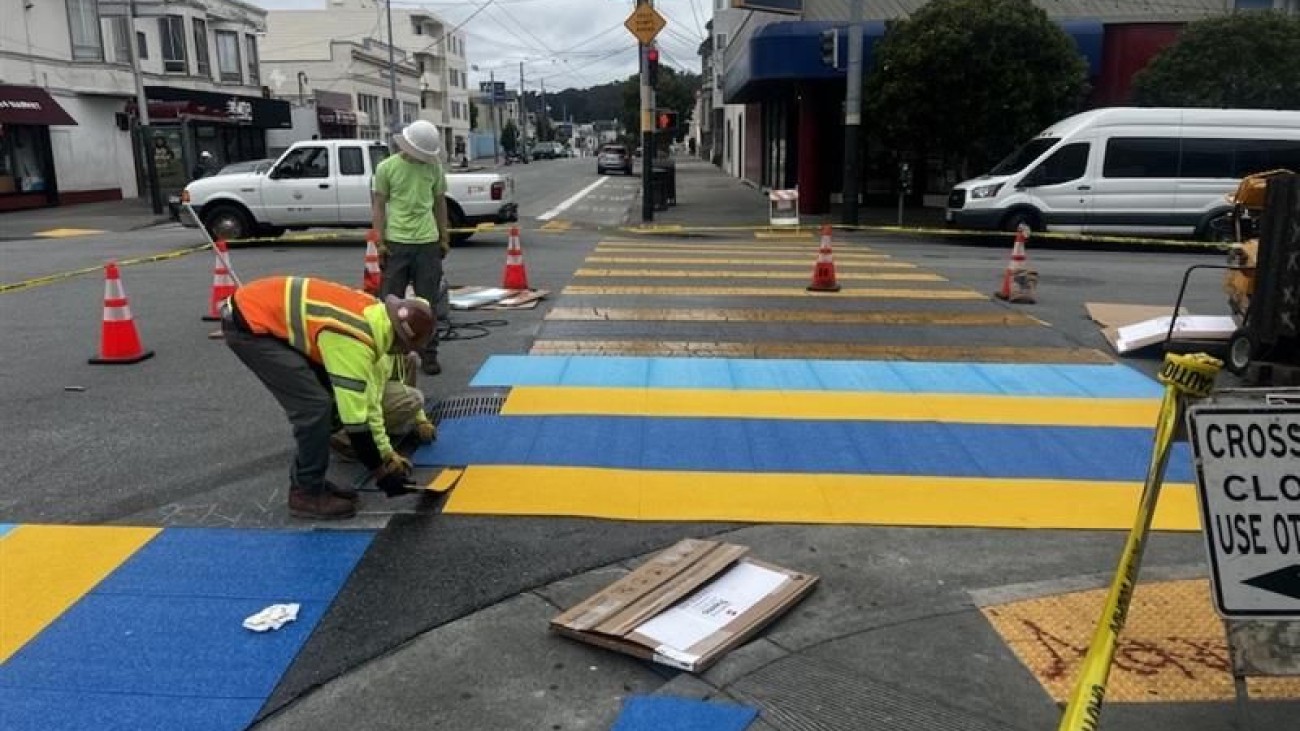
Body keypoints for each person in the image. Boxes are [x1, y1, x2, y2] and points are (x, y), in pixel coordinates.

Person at [220, 276, 435, 520]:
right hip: (252, 326)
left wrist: (384, 459)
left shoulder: (375, 314)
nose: (403, 352)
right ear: (399, 338)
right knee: (314, 407)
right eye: (406, 346)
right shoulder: (354, 342)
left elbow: (367, 402)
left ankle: (310, 480)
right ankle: (306, 494)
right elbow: (357, 422)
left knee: (327, 399)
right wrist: (382, 474)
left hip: (261, 309)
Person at [372, 119, 449, 376]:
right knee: (390, 304)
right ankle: (391, 356)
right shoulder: (386, 168)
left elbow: (440, 204)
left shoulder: (434, 168)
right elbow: (379, 207)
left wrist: (443, 236)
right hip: (397, 243)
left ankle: (429, 354)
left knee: (428, 303)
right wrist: (380, 241)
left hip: (427, 242)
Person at [330, 351, 437, 459]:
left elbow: (406, 388)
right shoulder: (380, 358)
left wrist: (421, 420)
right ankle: (350, 436)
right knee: (414, 399)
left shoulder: (399, 350)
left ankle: (379, 429)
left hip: (374, 391)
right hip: (356, 402)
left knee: (411, 359)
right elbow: (372, 405)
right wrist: (386, 452)